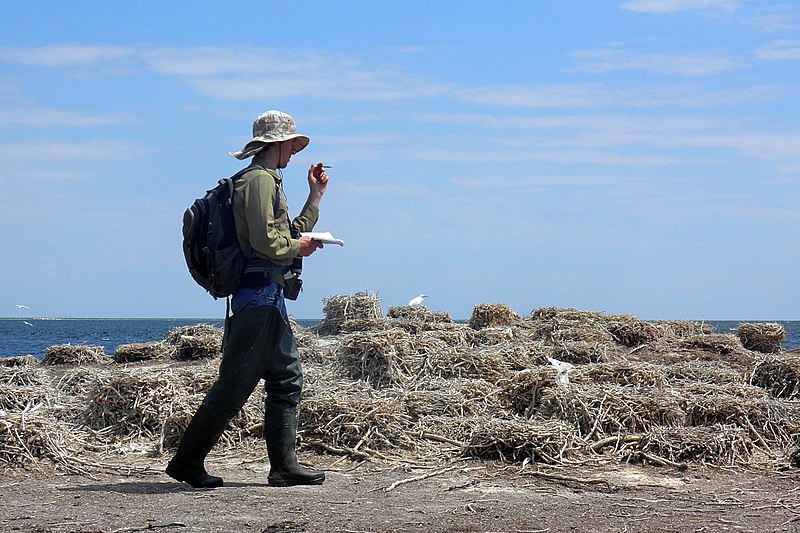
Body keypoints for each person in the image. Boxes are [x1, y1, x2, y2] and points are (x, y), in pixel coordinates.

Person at [167, 110, 329, 488]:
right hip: (257, 298)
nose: (294, 151)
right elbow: (267, 242)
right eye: (292, 144)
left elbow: (284, 233)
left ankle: (284, 467)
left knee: (286, 378)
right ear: (277, 144)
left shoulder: (267, 179)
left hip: (267, 297)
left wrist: (315, 197)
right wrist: (299, 247)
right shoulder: (258, 180)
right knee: (235, 384)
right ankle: (187, 461)